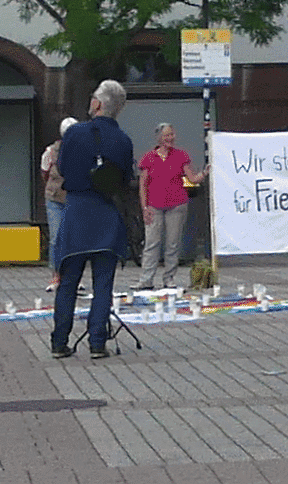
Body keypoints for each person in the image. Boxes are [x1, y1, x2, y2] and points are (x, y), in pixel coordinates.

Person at [50, 80, 135, 360]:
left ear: (98, 104)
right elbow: (125, 180)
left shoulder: (74, 133)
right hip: (106, 214)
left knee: (69, 281)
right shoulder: (123, 140)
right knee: (103, 284)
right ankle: (98, 342)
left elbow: (61, 168)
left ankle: (60, 341)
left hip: (76, 212)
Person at [134, 123, 210, 290]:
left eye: (172, 135)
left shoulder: (181, 156)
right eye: (166, 135)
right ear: (159, 138)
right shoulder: (148, 158)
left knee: (173, 244)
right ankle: (146, 279)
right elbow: (143, 185)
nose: (170, 138)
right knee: (152, 243)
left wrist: (204, 173)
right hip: (154, 206)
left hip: (177, 205)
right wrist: (144, 207)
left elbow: (192, 178)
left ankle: (169, 279)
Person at [40, 117, 78, 291]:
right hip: (54, 199)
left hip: (74, 200)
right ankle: (55, 276)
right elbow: (45, 173)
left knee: (73, 239)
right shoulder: (50, 151)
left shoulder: (82, 150)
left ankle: (72, 276)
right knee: (56, 238)